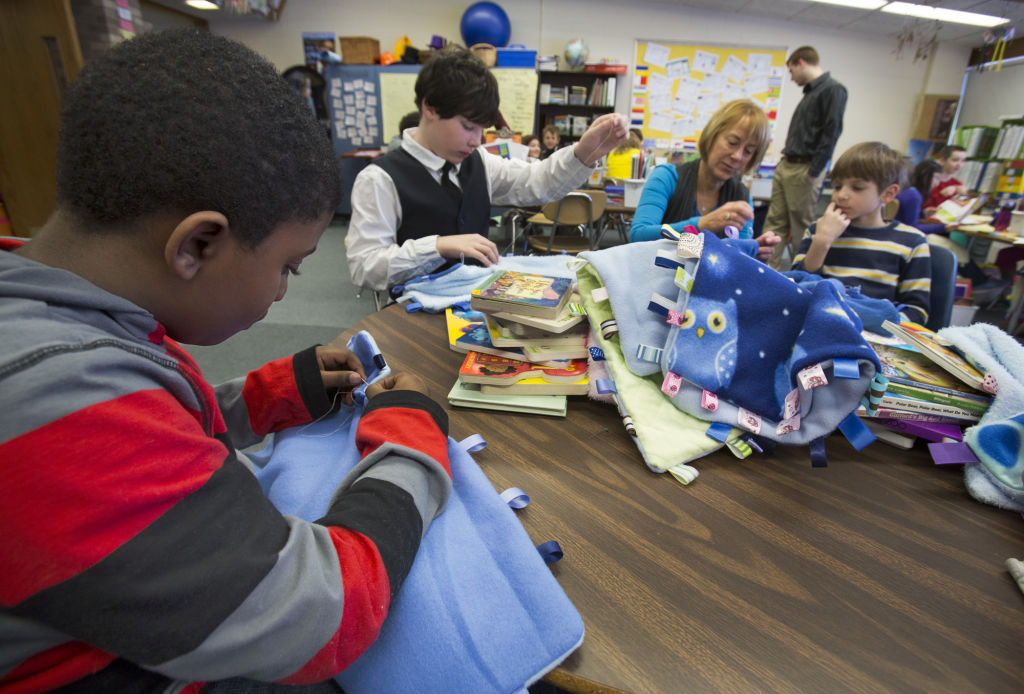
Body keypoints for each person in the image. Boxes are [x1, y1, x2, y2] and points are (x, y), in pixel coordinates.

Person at [0, 29, 454, 692]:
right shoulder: (59, 415)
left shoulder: (49, 317)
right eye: (289, 267)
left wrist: (266, 396)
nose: (283, 292)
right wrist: (410, 437)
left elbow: (147, 417)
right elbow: (323, 615)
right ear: (197, 245)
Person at [345, 46, 627, 292]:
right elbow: (364, 266)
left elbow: (538, 181)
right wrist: (438, 246)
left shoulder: (479, 161)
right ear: (429, 108)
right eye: (468, 127)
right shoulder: (380, 178)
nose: (476, 140)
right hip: (413, 314)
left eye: (481, 129)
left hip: (476, 308)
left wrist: (585, 152)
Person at [792, 141, 932, 325]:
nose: (841, 195)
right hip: (822, 323)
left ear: (888, 194)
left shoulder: (912, 242)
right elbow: (796, 288)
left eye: (857, 188)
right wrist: (821, 242)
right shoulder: (818, 230)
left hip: (877, 332)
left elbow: (917, 311)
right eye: (837, 186)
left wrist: (878, 325)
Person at [628, 99, 781, 262]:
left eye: (748, 151)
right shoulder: (666, 177)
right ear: (711, 136)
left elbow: (731, 260)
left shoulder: (741, 197)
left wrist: (750, 254)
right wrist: (702, 224)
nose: (737, 156)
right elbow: (638, 237)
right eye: (732, 143)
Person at [765, 46, 848, 270]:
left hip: (805, 168)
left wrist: (814, 171)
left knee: (800, 227)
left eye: (791, 71)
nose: (791, 78)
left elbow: (832, 132)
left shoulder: (833, 89)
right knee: (775, 222)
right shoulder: (810, 93)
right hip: (787, 164)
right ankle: (767, 270)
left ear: (801, 62)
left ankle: (801, 275)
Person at [922, 145, 968, 217]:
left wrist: (963, 196)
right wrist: (940, 194)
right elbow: (923, 206)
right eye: (955, 160)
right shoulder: (930, 180)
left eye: (963, 161)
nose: (959, 164)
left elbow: (960, 211)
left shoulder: (958, 184)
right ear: (942, 161)